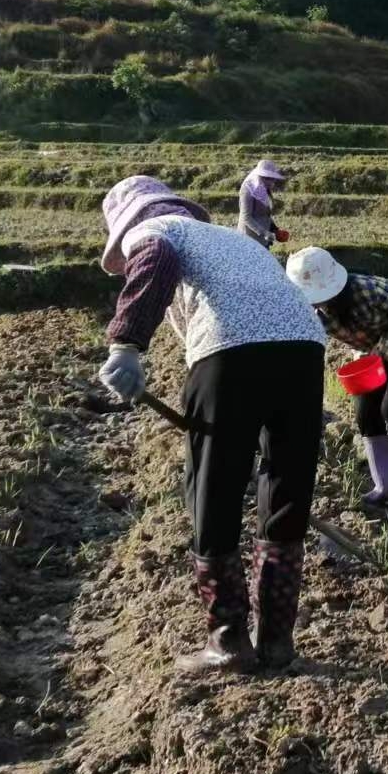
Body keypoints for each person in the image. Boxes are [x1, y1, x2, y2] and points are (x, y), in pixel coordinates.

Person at [96, 175, 326, 674]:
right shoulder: (227, 238)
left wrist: (126, 344)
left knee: (213, 489)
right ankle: (277, 643)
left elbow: (153, 262)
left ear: (128, 222)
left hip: (230, 349)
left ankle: (229, 641)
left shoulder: (155, 231)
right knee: (285, 487)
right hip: (305, 347)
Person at [287, 248, 388, 511]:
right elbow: (306, 342)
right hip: (368, 358)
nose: (315, 304)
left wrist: (383, 353)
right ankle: (385, 488)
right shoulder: (312, 313)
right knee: (366, 415)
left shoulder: (366, 289)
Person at [238, 158, 291, 249]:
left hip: (263, 239)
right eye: (267, 178)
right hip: (249, 239)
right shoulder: (248, 190)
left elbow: (264, 214)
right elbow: (246, 217)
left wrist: (275, 229)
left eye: (272, 179)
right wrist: (264, 233)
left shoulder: (263, 189)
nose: (270, 182)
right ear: (259, 176)